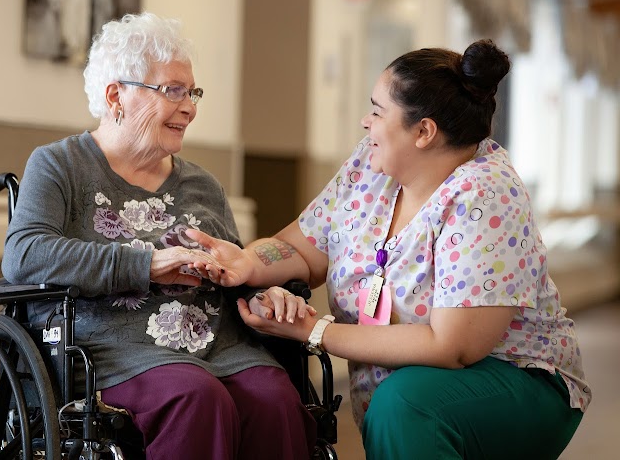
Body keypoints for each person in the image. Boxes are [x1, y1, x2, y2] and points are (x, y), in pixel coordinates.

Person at [188, 39, 590, 459]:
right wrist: (248, 262)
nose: (365, 122)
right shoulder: (370, 166)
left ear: (424, 131)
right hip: (404, 393)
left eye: (378, 112)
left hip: (515, 378)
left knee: (405, 404)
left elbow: (452, 347)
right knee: (399, 402)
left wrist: (314, 331)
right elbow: (303, 249)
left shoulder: (485, 194)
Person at [1, 12, 316, 460]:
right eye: (172, 90)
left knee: (275, 401)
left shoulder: (203, 184)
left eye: (192, 93)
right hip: (113, 351)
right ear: (116, 95)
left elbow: (235, 269)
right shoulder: (60, 165)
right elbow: (24, 254)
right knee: (196, 398)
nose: (190, 107)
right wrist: (147, 264)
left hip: (220, 346)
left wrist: (264, 294)